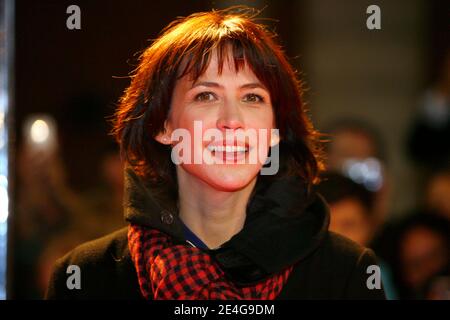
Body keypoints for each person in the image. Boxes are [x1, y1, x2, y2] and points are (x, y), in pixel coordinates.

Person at [45, 8, 385, 300]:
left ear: (274, 130)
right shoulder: (87, 277)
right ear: (162, 125)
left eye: (252, 98)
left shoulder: (343, 275)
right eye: (206, 96)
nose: (232, 121)